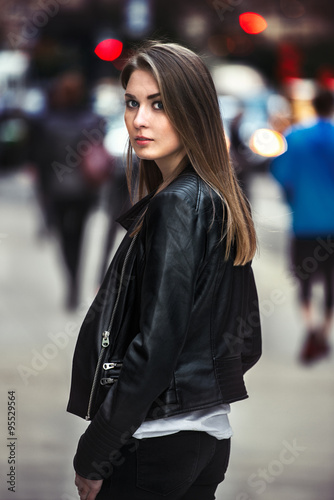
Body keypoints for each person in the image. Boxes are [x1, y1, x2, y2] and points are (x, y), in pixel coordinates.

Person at [67, 41, 262, 500]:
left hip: (152, 446)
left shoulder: (176, 205)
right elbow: (246, 343)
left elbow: (155, 347)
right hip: (209, 439)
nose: (140, 119)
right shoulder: (220, 199)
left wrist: (96, 450)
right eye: (132, 103)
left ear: (193, 111)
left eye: (159, 104)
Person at [271, 89, 334, 363]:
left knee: (305, 280)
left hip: (305, 223)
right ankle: (325, 330)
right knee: (333, 283)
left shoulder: (295, 138)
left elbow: (281, 173)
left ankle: (310, 327)